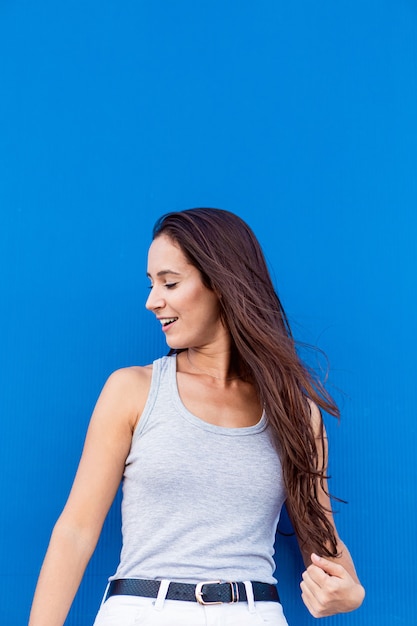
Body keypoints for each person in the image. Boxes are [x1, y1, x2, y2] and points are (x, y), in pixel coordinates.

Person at [29, 207, 365, 626]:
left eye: (169, 282)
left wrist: (349, 592)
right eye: (151, 284)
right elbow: (75, 532)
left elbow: (326, 547)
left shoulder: (296, 414)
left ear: (222, 284)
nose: (152, 301)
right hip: (141, 611)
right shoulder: (132, 390)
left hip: (253, 613)